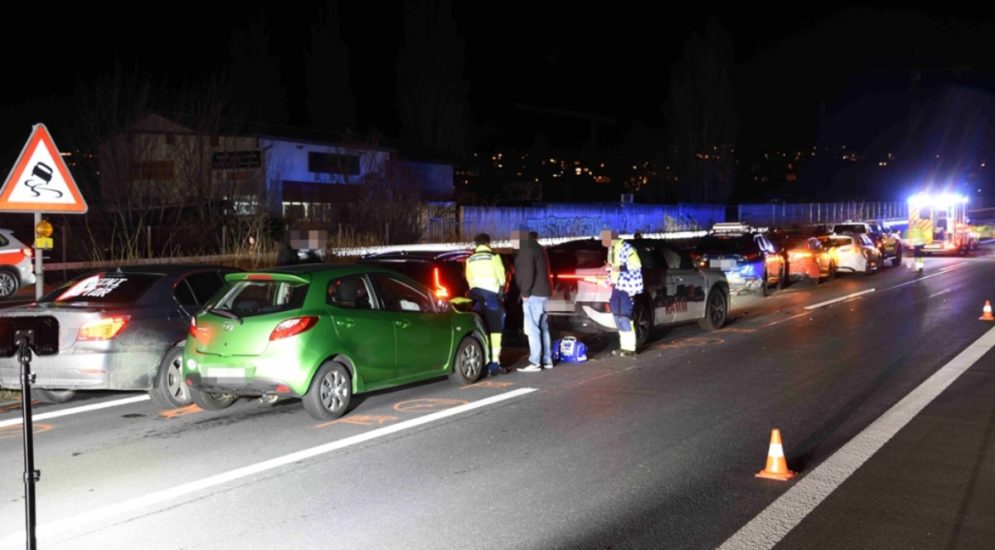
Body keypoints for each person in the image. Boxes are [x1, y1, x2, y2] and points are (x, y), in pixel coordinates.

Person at [465, 233, 506, 375]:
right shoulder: (494, 257)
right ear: (488, 243)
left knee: (482, 330)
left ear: (476, 244)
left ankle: (482, 361)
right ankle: (495, 363)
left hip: (476, 299)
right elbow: (502, 278)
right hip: (492, 299)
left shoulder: (469, 260)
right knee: (495, 330)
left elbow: (469, 280)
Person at [514, 229, 552, 372]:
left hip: (534, 295)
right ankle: (547, 360)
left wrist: (525, 293)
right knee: (544, 328)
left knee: (532, 329)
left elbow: (527, 272)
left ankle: (535, 361)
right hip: (545, 293)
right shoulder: (539, 248)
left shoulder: (526, 249)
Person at [602, 229, 643, 357]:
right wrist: (610, 266)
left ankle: (630, 348)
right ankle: (624, 346)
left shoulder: (626, 248)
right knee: (618, 317)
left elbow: (636, 264)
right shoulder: (611, 249)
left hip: (626, 286)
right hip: (616, 285)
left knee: (625, 316)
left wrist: (618, 267)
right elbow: (612, 265)